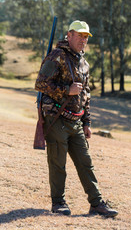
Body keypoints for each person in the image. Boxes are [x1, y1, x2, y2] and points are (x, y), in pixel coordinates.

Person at [35, 20, 118, 217]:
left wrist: (87, 122)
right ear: (69, 35)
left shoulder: (83, 63)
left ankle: (97, 203)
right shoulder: (57, 56)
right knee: (58, 163)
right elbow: (40, 83)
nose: (83, 40)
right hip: (56, 119)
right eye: (79, 35)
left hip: (76, 121)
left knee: (85, 163)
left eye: (86, 37)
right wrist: (66, 91)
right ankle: (58, 203)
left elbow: (85, 95)